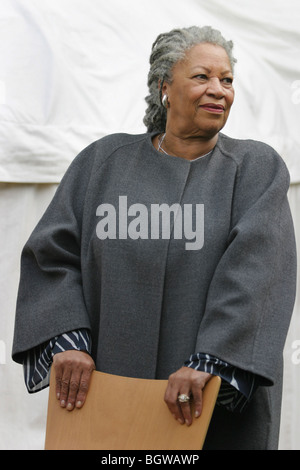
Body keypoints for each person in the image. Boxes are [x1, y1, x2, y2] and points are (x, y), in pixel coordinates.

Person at [12, 25, 296, 450]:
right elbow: (51, 257)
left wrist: (210, 361)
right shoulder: (102, 164)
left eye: (228, 80)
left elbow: (259, 272)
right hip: (109, 400)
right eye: (202, 77)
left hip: (209, 405)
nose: (219, 90)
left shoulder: (255, 170)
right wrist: (67, 341)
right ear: (165, 86)